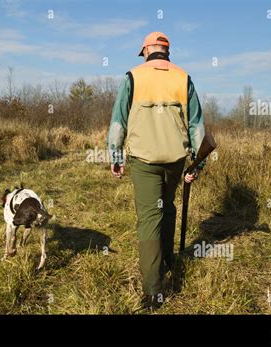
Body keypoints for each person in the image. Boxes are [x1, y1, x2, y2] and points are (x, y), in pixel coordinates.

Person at [106, 31, 206, 310]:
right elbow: (197, 125)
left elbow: (118, 122)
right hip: (175, 160)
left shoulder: (133, 77)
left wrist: (116, 155)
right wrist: (198, 162)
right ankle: (168, 260)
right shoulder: (183, 77)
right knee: (168, 207)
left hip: (144, 161)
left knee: (149, 217)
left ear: (146, 51)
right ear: (167, 52)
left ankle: (153, 291)